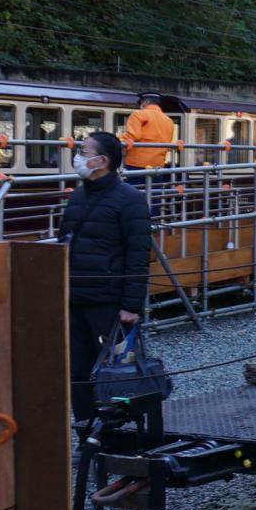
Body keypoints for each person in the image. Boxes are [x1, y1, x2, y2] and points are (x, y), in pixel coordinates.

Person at [61, 132, 151, 423]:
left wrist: (132, 305)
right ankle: (85, 433)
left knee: (116, 371)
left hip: (108, 301)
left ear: (102, 160)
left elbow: (138, 254)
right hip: (75, 296)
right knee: (78, 371)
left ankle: (118, 433)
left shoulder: (130, 200)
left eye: (84, 151)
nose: (79, 156)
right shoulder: (79, 194)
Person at [119, 90, 178, 181]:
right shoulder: (168, 120)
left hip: (137, 164)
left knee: (136, 192)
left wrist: (117, 140)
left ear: (145, 102)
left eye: (140, 103)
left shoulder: (138, 114)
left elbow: (133, 136)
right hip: (158, 165)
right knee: (154, 193)